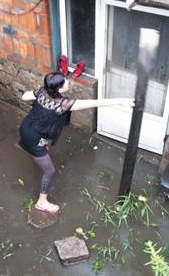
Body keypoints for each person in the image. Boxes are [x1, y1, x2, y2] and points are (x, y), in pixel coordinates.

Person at [19, 72, 134, 214]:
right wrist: (121, 101)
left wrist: (37, 95)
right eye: (65, 81)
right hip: (35, 138)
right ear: (59, 89)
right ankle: (42, 203)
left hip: (26, 127)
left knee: (41, 147)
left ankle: (35, 153)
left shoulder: (41, 91)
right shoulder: (63, 104)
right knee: (49, 171)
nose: (68, 82)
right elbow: (94, 103)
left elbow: (24, 96)